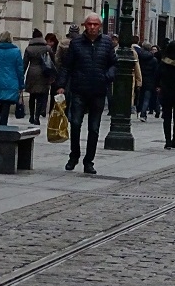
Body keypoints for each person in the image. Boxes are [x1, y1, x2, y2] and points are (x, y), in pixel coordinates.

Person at [56, 13, 117, 175]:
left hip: (98, 90)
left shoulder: (107, 43)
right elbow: (67, 66)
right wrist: (61, 85)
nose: (92, 27)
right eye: (89, 24)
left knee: (94, 128)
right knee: (75, 123)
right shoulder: (76, 43)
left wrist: (108, 76)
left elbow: (114, 64)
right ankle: (74, 155)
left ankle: (89, 161)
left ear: (100, 26)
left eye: (95, 24)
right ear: (85, 25)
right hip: (79, 89)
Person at [0, 31, 25, 126]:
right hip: (12, 81)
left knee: (2, 102)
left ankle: (2, 123)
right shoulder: (16, 51)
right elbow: (20, 70)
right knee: (7, 102)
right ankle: (3, 124)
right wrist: (21, 85)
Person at [23, 28, 54, 126]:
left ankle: (31, 116)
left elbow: (25, 63)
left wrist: (21, 74)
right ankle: (37, 117)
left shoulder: (28, 48)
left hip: (31, 72)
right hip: (43, 73)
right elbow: (53, 61)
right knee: (40, 96)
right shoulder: (47, 48)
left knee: (32, 96)